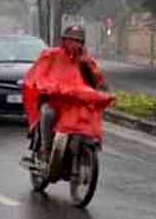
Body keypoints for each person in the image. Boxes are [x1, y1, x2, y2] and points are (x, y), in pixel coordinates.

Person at [22, 25, 109, 161]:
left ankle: (84, 146)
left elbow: (97, 80)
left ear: (82, 43)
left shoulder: (86, 60)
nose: (74, 44)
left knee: (91, 115)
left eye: (78, 41)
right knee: (47, 113)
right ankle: (46, 148)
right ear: (64, 40)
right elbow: (38, 73)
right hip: (55, 101)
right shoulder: (52, 55)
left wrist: (101, 87)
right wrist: (44, 85)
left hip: (76, 103)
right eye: (71, 40)